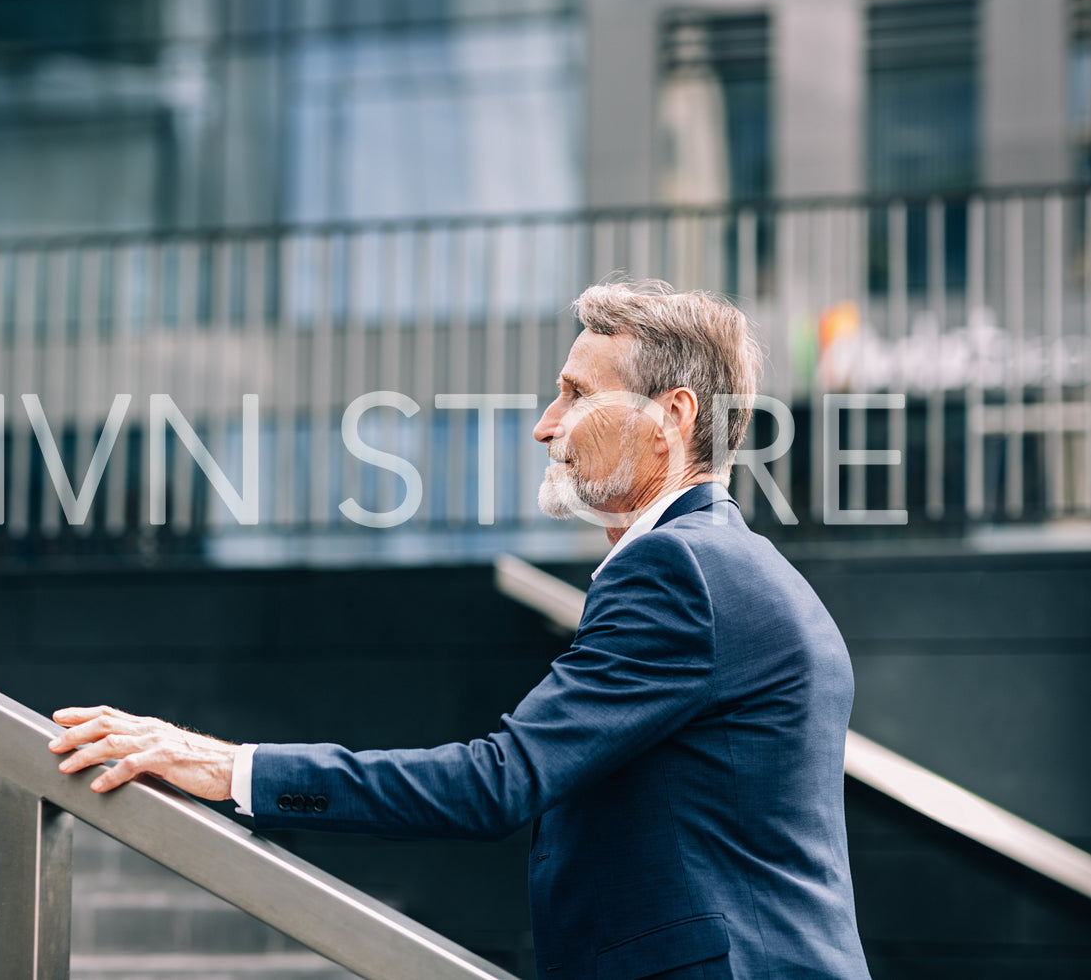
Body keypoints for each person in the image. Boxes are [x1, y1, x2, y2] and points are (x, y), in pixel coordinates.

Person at [49, 280, 871, 979]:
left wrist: (228, 767)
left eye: (577, 395)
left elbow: (496, 783)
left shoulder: (681, 574)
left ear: (673, 415)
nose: (546, 425)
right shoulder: (728, 566)